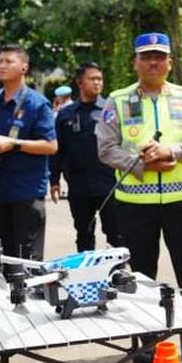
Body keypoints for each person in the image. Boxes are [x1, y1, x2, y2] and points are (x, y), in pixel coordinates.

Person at [97, 32, 182, 363]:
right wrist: (140, 163)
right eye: (146, 56)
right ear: (135, 63)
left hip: (181, 201)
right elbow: (106, 148)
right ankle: (148, 340)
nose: (153, 62)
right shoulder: (118, 100)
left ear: (170, 62)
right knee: (141, 274)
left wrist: (170, 151)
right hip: (134, 204)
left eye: (159, 56)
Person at [0, 45, 58, 260]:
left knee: (27, 259)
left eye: (9, 61)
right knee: (2, 257)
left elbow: (51, 146)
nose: (2, 66)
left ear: (24, 67)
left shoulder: (37, 103)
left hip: (26, 191)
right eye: (0, 62)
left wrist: (14, 144)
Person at [50, 62, 121, 251]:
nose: (97, 83)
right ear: (80, 82)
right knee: (83, 233)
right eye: (92, 79)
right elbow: (58, 149)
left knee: (116, 233)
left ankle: (117, 268)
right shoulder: (66, 114)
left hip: (109, 183)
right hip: (78, 184)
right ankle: (87, 267)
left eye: (100, 79)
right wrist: (54, 180)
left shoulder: (111, 110)